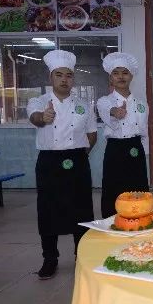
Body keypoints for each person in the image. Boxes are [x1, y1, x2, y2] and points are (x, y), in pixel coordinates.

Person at [27, 50, 97, 279]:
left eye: (69, 75)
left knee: (82, 209)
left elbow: (92, 134)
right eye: (59, 75)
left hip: (78, 160)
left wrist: (80, 154)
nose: (64, 79)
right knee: (48, 210)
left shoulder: (84, 105)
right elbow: (35, 117)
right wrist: (43, 117)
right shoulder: (38, 102)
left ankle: (81, 255)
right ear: (51, 77)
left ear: (73, 78)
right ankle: (50, 258)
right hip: (49, 161)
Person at [97, 52, 149, 218]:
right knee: (114, 190)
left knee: (138, 191)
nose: (121, 77)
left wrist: (143, 152)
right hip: (115, 149)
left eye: (125, 73)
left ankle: (140, 222)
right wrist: (115, 112)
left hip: (136, 148)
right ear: (110, 78)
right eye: (116, 73)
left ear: (131, 76)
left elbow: (143, 132)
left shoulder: (141, 104)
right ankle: (112, 223)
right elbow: (108, 110)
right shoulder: (104, 101)